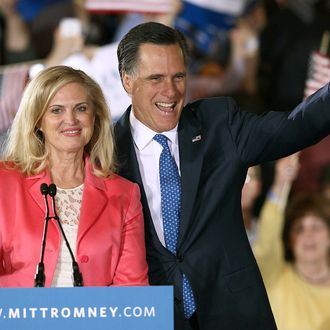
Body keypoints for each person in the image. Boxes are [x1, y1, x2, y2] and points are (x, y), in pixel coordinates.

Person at [114, 21, 330, 330]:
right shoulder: (105, 151)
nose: (171, 91)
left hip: (233, 312)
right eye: (156, 78)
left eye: (178, 77)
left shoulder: (218, 125)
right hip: (156, 318)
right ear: (127, 81)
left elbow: (297, 127)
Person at [0, 65, 148, 288]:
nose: (71, 120)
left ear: (94, 117)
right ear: (38, 120)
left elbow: (133, 289)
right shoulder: (5, 182)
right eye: (56, 110)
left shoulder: (124, 194)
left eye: (80, 109)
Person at [255, 191, 330, 330]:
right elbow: (267, 242)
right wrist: (281, 184)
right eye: (299, 229)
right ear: (289, 240)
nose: (308, 235)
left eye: (316, 227)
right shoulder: (275, 276)